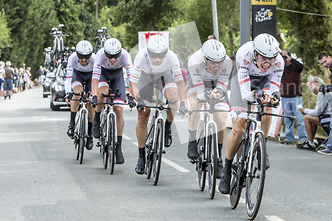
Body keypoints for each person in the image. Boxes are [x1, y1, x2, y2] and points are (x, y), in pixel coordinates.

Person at [219, 33, 283, 194]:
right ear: (255, 54)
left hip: (264, 82)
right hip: (243, 81)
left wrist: (273, 97)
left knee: (268, 105)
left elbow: (274, 87)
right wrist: (254, 95)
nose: (267, 62)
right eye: (263, 58)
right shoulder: (244, 54)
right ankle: (226, 169)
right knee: (239, 127)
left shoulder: (279, 62)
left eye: (271, 58)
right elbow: (245, 93)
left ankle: (263, 144)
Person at [129, 35, 188, 174]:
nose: (157, 59)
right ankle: (141, 156)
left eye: (160, 56)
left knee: (174, 98)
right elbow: (133, 83)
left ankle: (167, 126)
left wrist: (183, 103)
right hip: (145, 78)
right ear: (148, 52)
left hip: (163, 76)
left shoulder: (171, 57)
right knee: (143, 115)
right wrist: (139, 100)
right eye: (154, 56)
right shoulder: (140, 56)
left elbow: (180, 82)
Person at [186, 39, 231, 178]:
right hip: (197, 81)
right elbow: (199, 89)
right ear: (205, 59)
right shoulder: (194, 60)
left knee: (221, 118)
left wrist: (217, 92)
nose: (216, 66)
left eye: (219, 63)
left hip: (216, 83)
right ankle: (192, 140)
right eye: (212, 62)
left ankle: (217, 156)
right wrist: (206, 94)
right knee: (195, 106)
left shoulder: (228, 63)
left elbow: (223, 85)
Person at [90, 38, 133, 165]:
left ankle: (118, 147)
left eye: (115, 57)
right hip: (103, 73)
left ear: (120, 54)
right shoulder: (100, 55)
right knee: (102, 93)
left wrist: (131, 96)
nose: (113, 59)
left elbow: (131, 77)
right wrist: (93, 96)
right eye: (109, 56)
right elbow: (95, 78)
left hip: (117, 76)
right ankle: (97, 117)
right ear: (105, 54)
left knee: (119, 110)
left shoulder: (125, 55)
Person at [64, 41, 95, 150]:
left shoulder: (95, 60)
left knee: (90, 102)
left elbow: (97, 78)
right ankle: (72, 123)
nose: (83, 60)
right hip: (78, 75)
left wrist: (94, 95)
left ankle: (90, 134)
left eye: (86, 57)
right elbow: (68, 77)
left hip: (91, 77)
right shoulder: (72, 58)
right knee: (76, 93)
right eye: (81, 57)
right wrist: (68, 92)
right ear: (77, 54)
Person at [279, 51, 308, 147]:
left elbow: (301, 66)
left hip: (296, 96)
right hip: (284, 97)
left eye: (285, 57)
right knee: (288, 119)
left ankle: (303, 139)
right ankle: (289, 138)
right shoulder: (280, 68)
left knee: (300, 119)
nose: (284, 59)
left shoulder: (296, 67)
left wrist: (290, 59)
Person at [299, 76, 332, 150]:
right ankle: (311, 141)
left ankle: (310, 142)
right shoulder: (325, 90)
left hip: (330, 118)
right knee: (310, 117)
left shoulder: (322, 92)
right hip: (330, 116)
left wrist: (304, 110)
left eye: (311, 86)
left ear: (317, 84)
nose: (310, 88)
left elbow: (317, 113)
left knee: (307, 117)